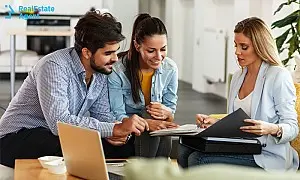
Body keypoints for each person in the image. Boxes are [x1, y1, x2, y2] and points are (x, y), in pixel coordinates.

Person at [0, 11, 149, 168]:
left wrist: (120, 132)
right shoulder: (54, 66)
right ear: (86, 52)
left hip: (55, 134)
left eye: (115, 51)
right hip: (16, 137)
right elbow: (59, 123)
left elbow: (103, 115)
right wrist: (114, 128)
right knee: (66, 145)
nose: (115, 59)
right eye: (108, 53)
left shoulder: (101, 71)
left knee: (123, 148)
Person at [178, 17, 299, 171]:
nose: (237, 52)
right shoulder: (238, 76)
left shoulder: (278, 76)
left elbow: (293, 128)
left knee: (199, 160)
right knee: (184, 150)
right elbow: (238, 121)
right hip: (241, 146)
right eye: (236, 45)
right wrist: (217, 125)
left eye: (244, 47)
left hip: (267, 154)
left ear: (259, 46)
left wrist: (271, 129)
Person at [108, 13, 179, 158]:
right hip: (129, 130)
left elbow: (171, 110)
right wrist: (147, 123)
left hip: (156, 132)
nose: (159, 57)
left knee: (159, 119)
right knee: (151, 121)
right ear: (137, 45)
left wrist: (167, 113)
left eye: (163, 49)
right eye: (151, 51)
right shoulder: (118, 71)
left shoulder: (170, 69)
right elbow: (117, 114)